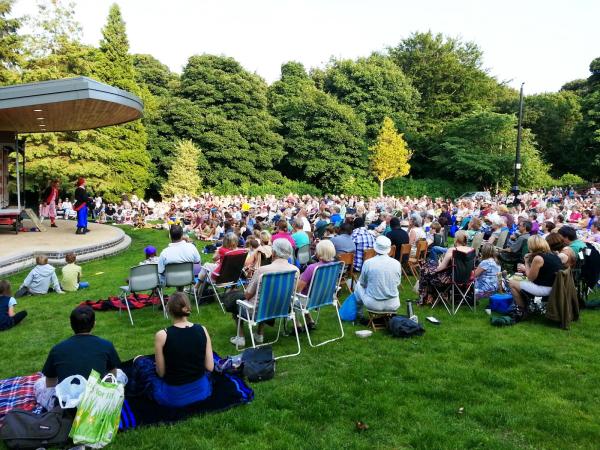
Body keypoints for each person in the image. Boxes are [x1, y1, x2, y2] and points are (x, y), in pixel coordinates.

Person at [133, 292, 213, 407]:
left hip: (173, 398)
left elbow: (161, 373)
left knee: (141, 362)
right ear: (187, 308)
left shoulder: (162, 335)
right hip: (202, 393)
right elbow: (210, 367)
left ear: (169, 310)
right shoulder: (202, 330)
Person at [230, 239, 299, 347]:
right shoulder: (295, 270)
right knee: (265, 298)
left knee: (234, 300)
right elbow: (293, 291)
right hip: (281, 308)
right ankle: (259, 333)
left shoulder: (263, 271)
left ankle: (241, 337)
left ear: (274, 252)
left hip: (257, 311)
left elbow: (248, 295)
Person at [41, 306, 121, 386]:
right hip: (97, 396)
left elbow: (50, 380)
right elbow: (112, 372)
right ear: (94, 323)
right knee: (120, 374)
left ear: (70, 324)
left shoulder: (57, 349)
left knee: (40, 383)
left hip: (67, 396)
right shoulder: (106, 345)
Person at [509, 235, 563, 320]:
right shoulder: (553, 255)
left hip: (544, 289)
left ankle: (521, 310)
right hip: (554, 287)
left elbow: (530, 278)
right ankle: (526, 306)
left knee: (511, 283)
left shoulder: (538, 258)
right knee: (519, 281)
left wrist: (526, 262)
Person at [418, 230, 472, 304]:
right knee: (428, 268)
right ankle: (431, 297)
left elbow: (440, 268)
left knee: (425, 269)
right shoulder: (471, 250)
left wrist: (437, 266)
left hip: (448, 280)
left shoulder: (453, 250)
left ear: (456, 239)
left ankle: (424, 298)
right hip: (466, 279)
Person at [354, 236, 401, 318]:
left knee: (358, 285)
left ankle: (359, 314)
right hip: (393, 304)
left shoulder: (368, 263)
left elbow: (362, 283)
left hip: (374, 304)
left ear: (375, 248)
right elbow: (397, 283)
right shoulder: (396, 263)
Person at [295, 240, 337, 330]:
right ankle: (310, 320)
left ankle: (297, 325)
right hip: (325, 297)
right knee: (301, 296)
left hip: (311, 300)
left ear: (319, 253)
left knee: (291, 296)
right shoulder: (334, 266)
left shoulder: (312, 268)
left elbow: (298, 289)